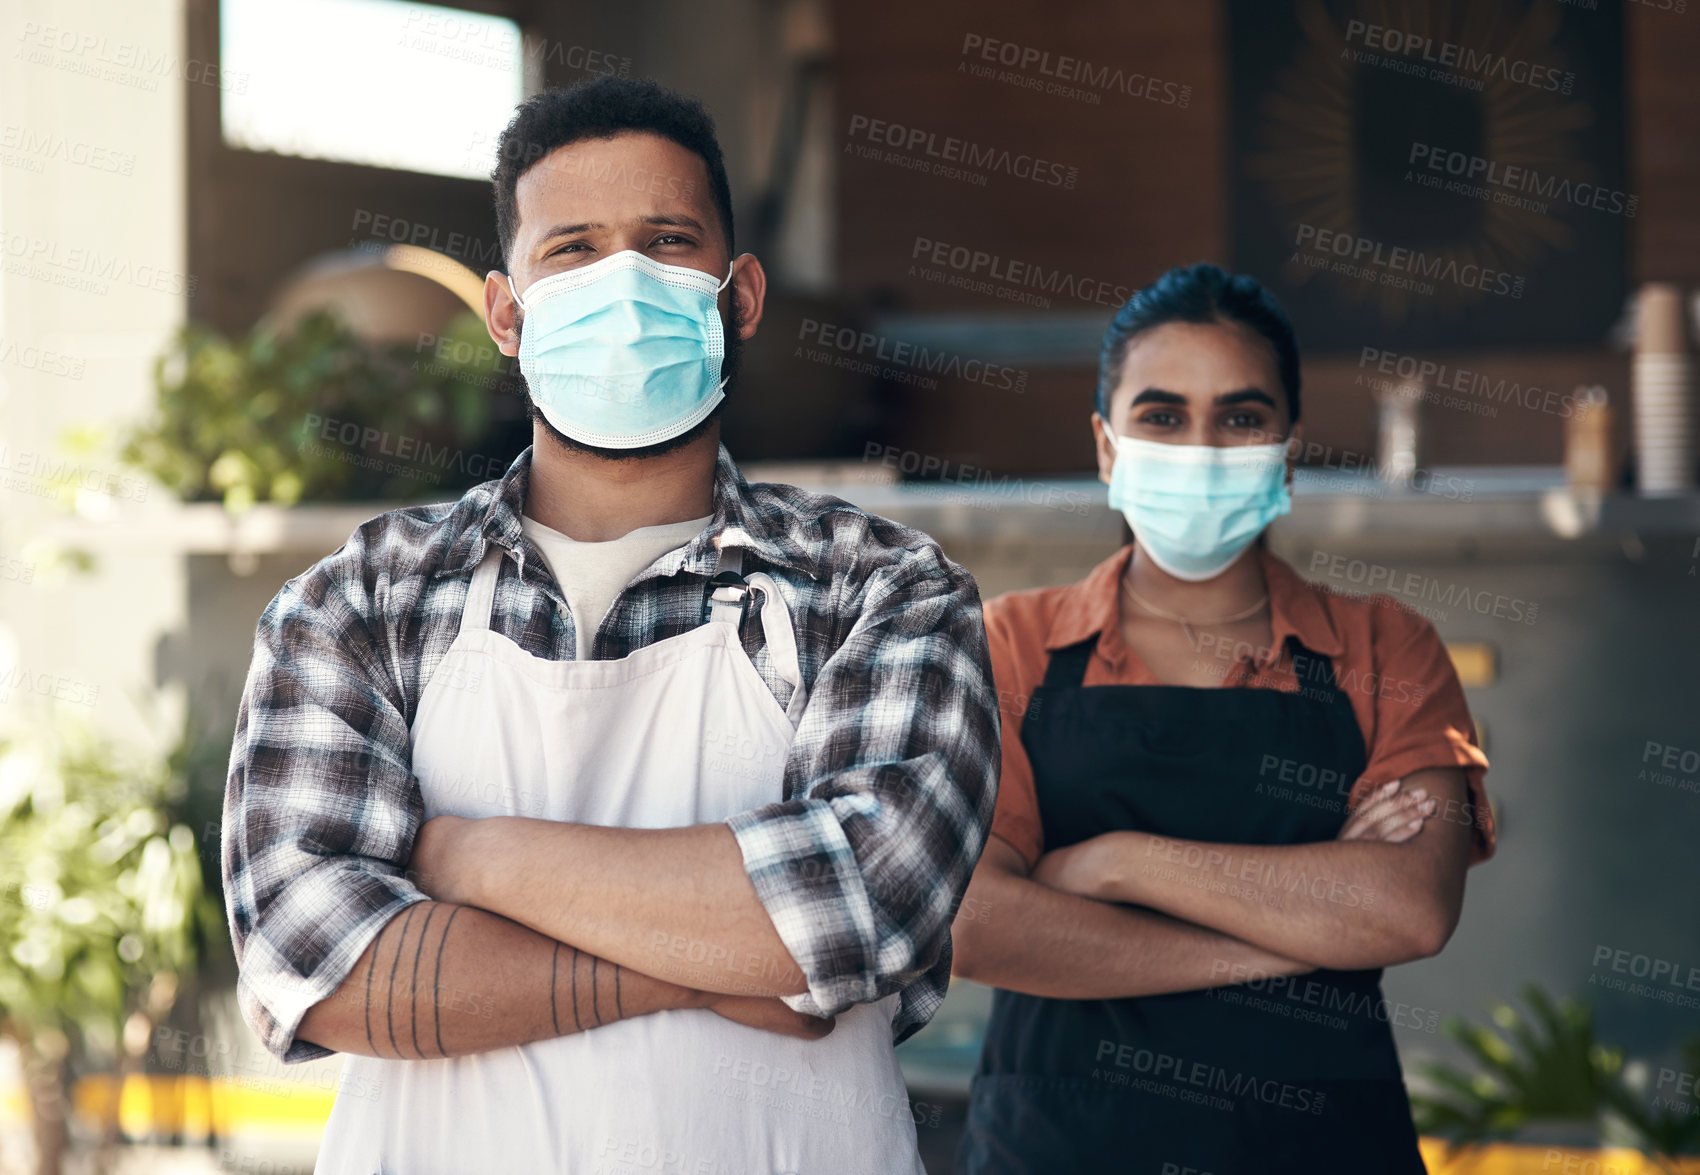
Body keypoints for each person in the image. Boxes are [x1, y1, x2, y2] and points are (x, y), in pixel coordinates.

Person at [220, 76, 999, 1174]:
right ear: (505, 311)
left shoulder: (879, 589)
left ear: (742, 295)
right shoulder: (359, 601)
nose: (621, 283)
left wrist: (464, 853)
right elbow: (319, 964)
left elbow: (857, 910)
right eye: (572, 249)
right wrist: (699, 960)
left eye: (667, 241)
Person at [950, 262, 1496, 1174]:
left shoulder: (1383, 647)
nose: (1200, 449)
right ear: (1106, 448)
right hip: (1066, 1146)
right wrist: (1294, 939)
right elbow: (973, 926)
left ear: (1287, 452)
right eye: (1162, 415)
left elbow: (1409, 907)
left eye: (1240, 418)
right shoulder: (1012, 645)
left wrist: (1113, 863)